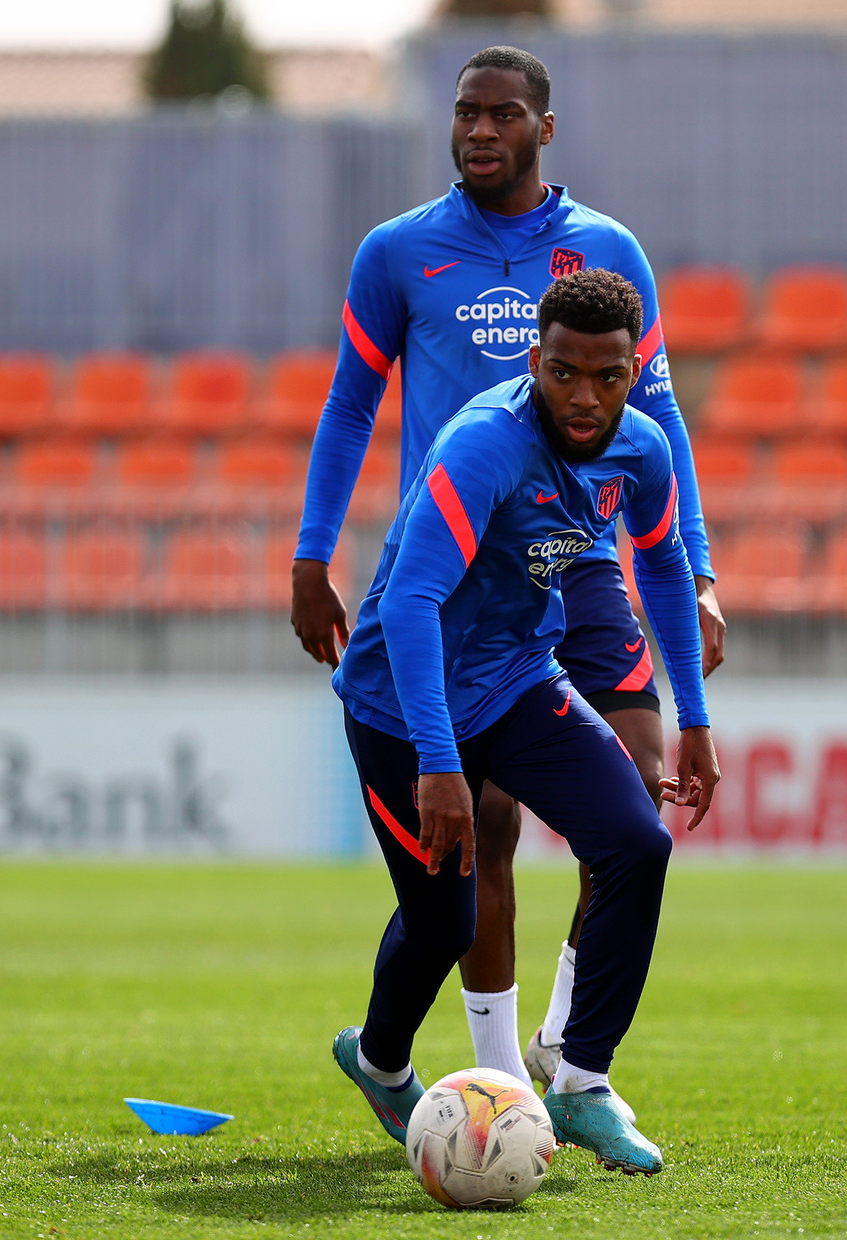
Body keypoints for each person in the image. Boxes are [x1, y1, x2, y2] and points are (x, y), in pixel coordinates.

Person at [292, 45, 725, 1102]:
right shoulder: (398, 252)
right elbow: (351, 406)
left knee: (635, 784)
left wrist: (697, 570)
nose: (479, 132)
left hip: (575, 560)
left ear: (542, 127)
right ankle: (496, 1086)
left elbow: (656, 417)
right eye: (464, 115)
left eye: (501, 116)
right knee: (477, 837)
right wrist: (312, 551)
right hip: (452, 572)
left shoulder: (606, 250)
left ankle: (567, 1048)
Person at [331, 268, 719, 1174]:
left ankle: (581, 1082)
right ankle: (380, 1060)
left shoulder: (646, 450)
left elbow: (662, 566)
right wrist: (438, 765)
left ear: (634, 372)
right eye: (563, 373)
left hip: (512, 679)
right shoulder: (483, 447)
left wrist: (693, 714)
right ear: (533, 360)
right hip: (401, 703)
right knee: (443, 925)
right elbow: (415, 602)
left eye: (608, 377)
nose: (585, 397)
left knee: (635, 842)